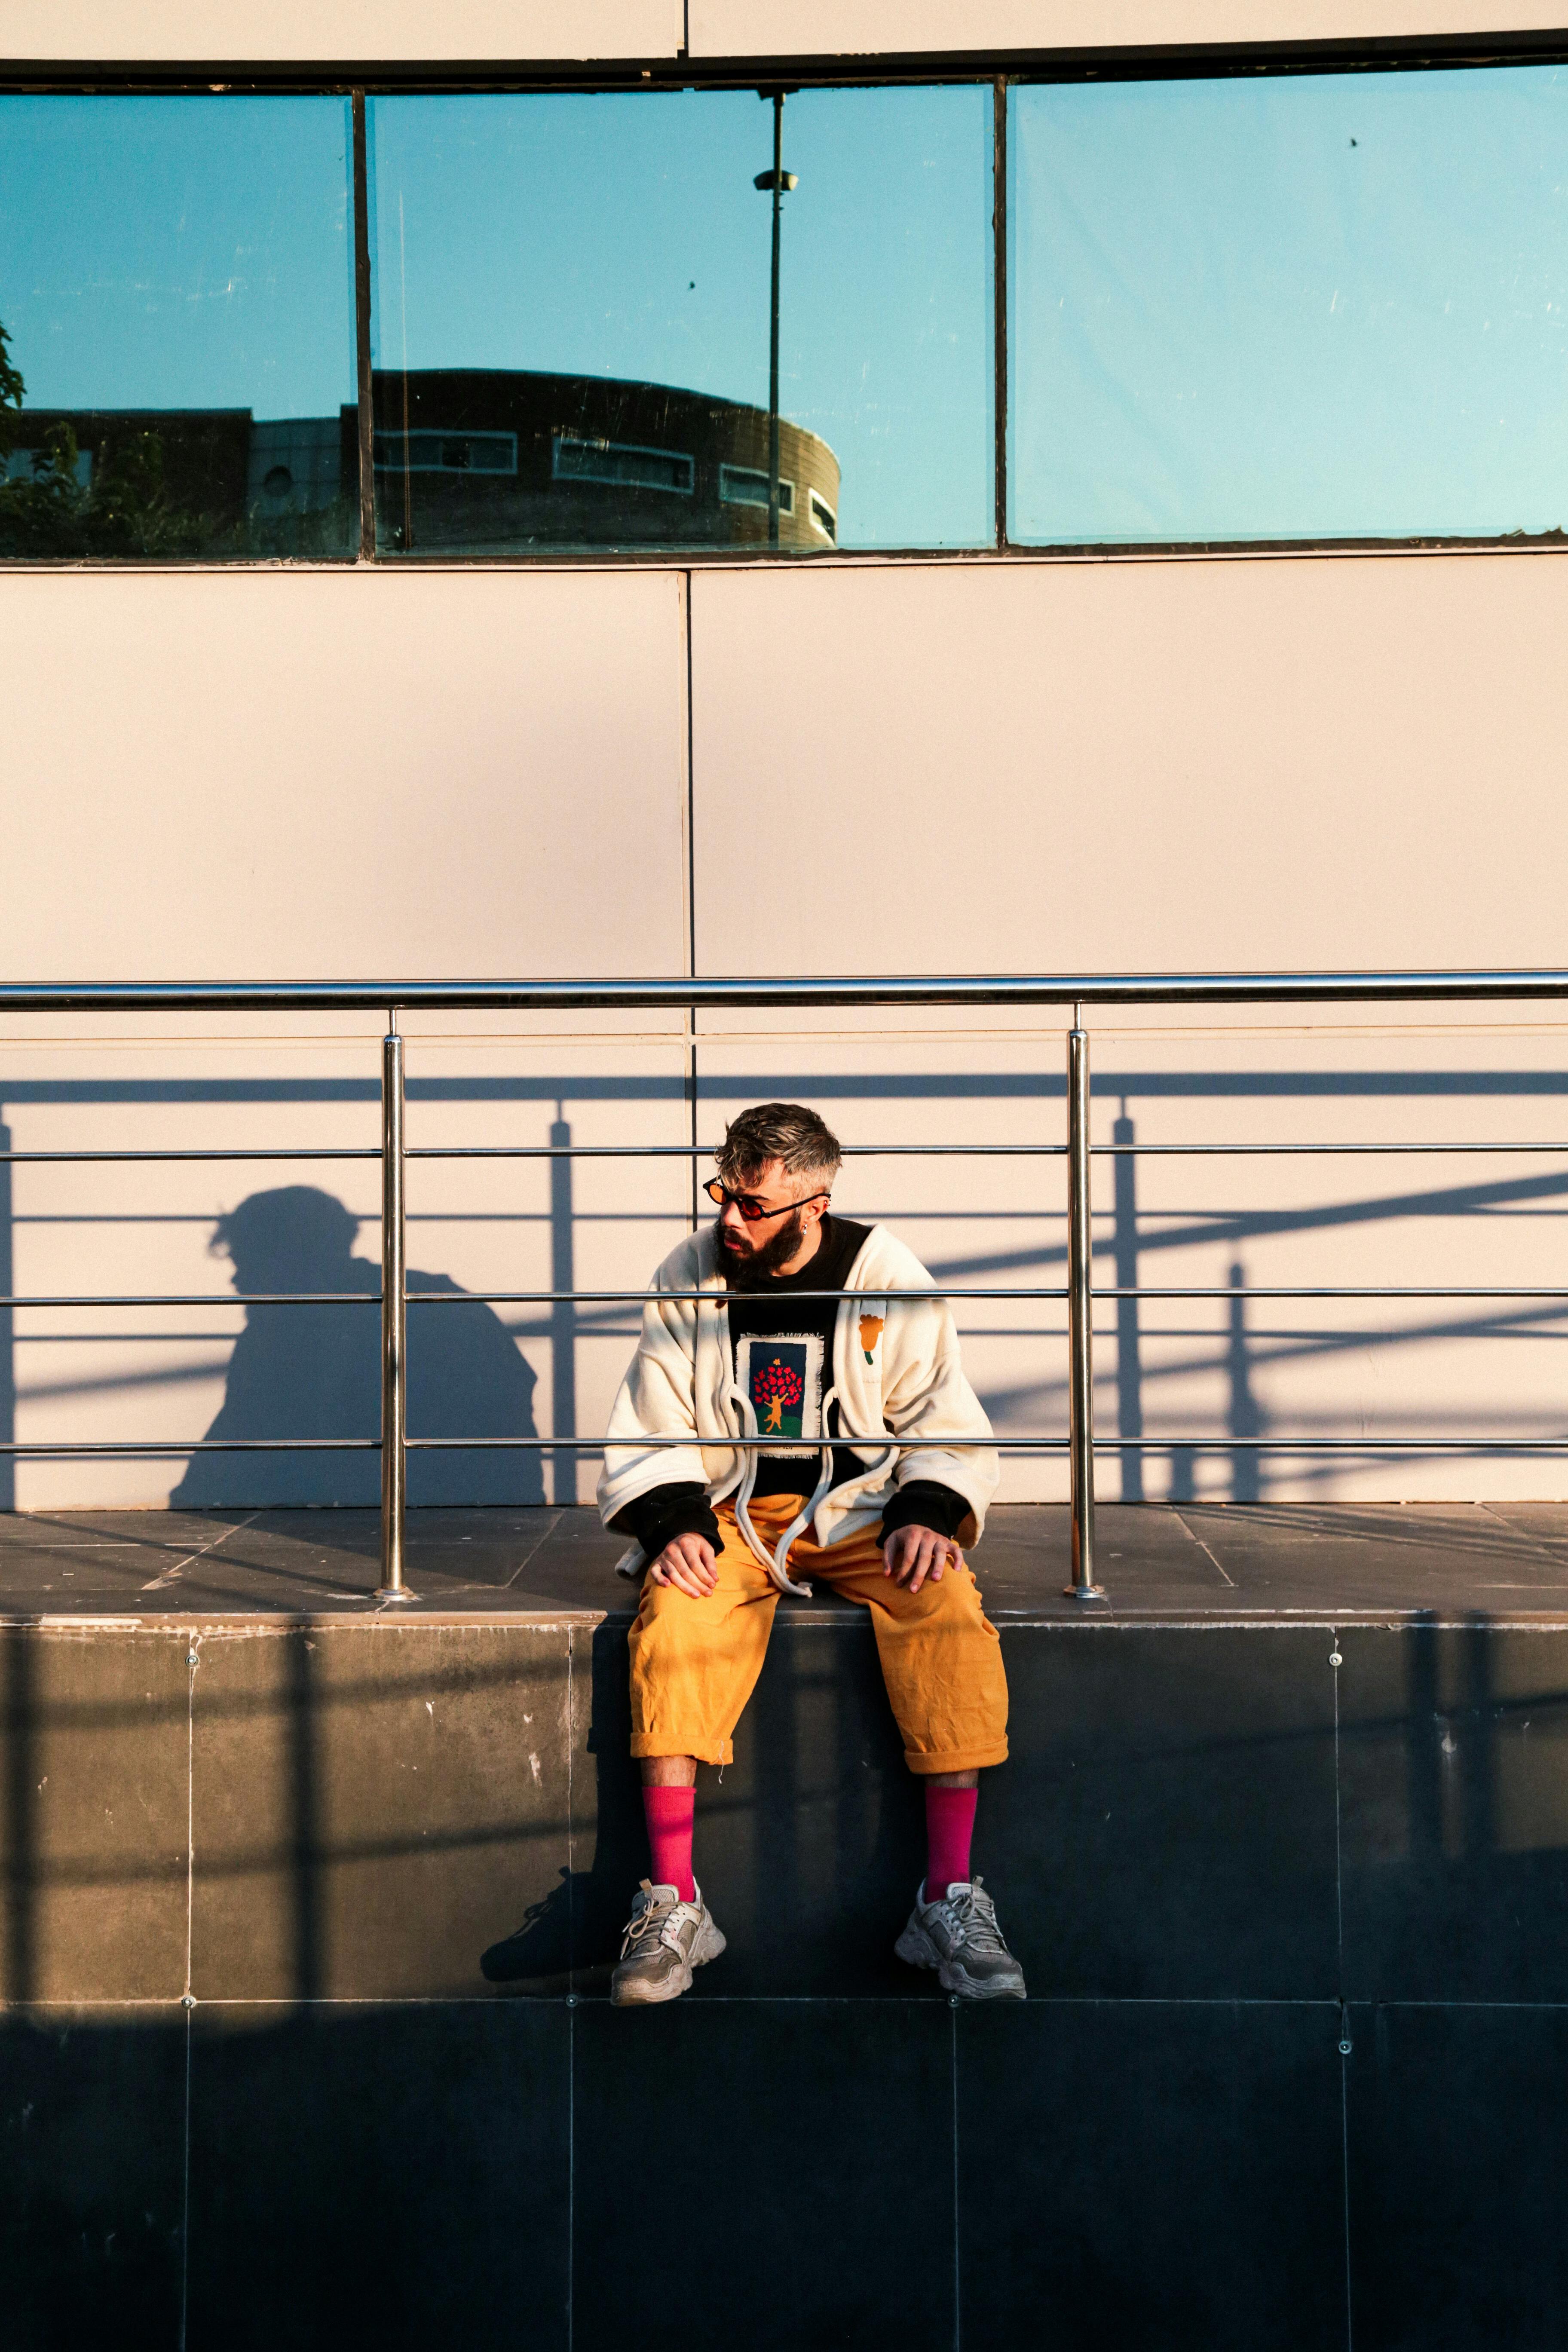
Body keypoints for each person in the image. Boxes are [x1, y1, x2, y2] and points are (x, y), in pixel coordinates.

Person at [598, 1101, 1025, 2006]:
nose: (729, 1219)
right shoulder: (691, 1273)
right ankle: (673, 1903)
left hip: (861, 1510)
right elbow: (654, 1415)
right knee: (673, 1622)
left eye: (754, 1205)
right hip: (728, 1513)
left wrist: (929, 1511)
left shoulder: (883, 1272)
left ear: (814, 1204)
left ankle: (948, 1898)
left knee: (945, 1606)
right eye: (724, 1194)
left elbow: (944, 1415)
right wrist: (674, 1520)